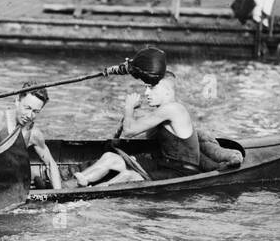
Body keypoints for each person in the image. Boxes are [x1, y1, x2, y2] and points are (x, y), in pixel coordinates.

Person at [71, 67, 199, 186]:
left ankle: (92, 192)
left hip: (181, 172)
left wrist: (129, 108)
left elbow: (129, 131)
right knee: (110, 158)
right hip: (162, 163)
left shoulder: (173, 109)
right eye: (146, 88)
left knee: (129, 175)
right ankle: (80, 180)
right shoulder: (160, 112)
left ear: (167, 92)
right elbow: (139, 132)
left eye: (151, 88)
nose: (146, 93)